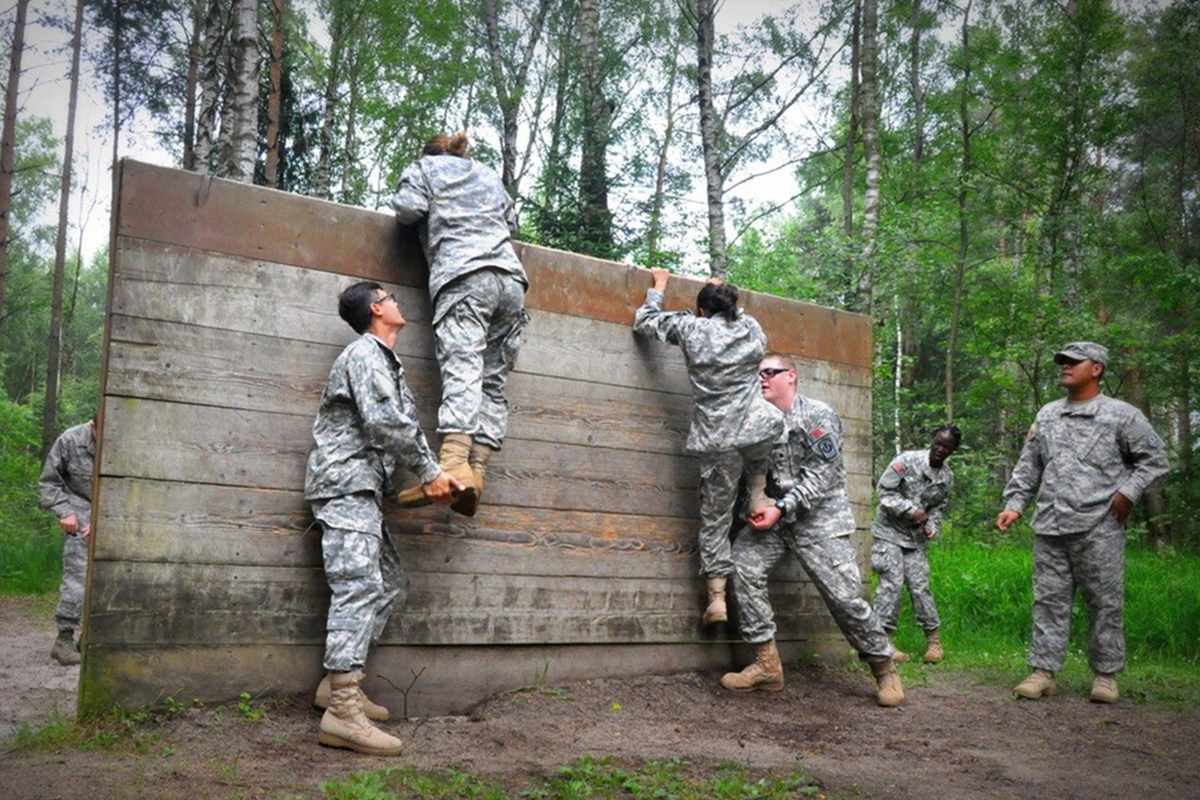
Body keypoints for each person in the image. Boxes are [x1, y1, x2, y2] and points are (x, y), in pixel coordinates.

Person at [305, 281, 460, 756]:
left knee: (388, 581)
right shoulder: (365, 354)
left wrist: (416, 491)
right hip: (344, 487)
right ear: (377, 308)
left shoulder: (386, 363)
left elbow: (382, 436)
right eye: (389, 296)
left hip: (366, 491)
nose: (396, 301)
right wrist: (432, 471)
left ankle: (336, 687)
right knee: (359, 587)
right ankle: (343, 712)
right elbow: (386, 424)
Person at [722, 353, 904, 707]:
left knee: (844, 598)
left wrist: (781, 508)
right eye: (757, 374)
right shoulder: (758, 419)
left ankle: (884, 669)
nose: (761, 379)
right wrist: (756, 503)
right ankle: (767, 665)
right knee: (743, 564)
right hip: (775, 519)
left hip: (818, 519)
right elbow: (754, 470)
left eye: (769, 373)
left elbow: (824, 477)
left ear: (791, 376)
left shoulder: (818, 415)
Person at [997, 342, 1169, 704]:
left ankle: (1105, 676)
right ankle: (1043, 672)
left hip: (1099, 526)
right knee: (1047, 602)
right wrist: (1015, 504)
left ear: (1097, 369)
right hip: (1050, 525)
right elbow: (1029, 466)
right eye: (1062, 362)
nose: (1065, 367)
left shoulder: (1123, 416)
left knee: (1104, 602)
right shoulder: (1047, 415)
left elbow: (1155, 459)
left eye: (1074, 362)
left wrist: (1128, 493)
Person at [632, 268, 784, 625]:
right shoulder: (751, 330)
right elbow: (740, 316)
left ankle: (717, 598)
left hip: (717, 440)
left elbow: (645, 321)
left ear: (702, 311)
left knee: (715, 518)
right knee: (769, 429)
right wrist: (721, 292)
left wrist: (659, 288)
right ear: (732, 306)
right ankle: (759, 492)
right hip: (754, 428)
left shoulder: (692, 329)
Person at [389, 131, 529, 516]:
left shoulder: (424, 169)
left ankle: (453, 465)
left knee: (463, 367)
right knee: (492, 379)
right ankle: (478, 471)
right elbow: (511, 222)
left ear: (428, 152)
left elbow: (407, 210)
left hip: (464, 276)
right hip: (512, 282)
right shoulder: (485, 173)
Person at [871, 425, 960, 664]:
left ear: (953, 450)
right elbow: (884, 491)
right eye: (938, 444)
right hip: (889, 532)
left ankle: (934, 642)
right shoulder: (907, 461)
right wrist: (910, 510)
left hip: (915, 538)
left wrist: (933, 526)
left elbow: (938, 508)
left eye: (947, 447)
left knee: (920, 586)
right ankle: (883, 642)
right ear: (932, 440)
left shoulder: (946, 477)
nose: (941, 450)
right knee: (892, 584)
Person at [38, 415, 96, 666]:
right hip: (79, 506)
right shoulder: (70, 439)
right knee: (77, 573)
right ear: (94, 425)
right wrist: (66, 512)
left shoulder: (121, 439)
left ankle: (93, 637)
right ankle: (64, 640)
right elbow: (49, 483)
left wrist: (104, 518)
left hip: (113, 511)